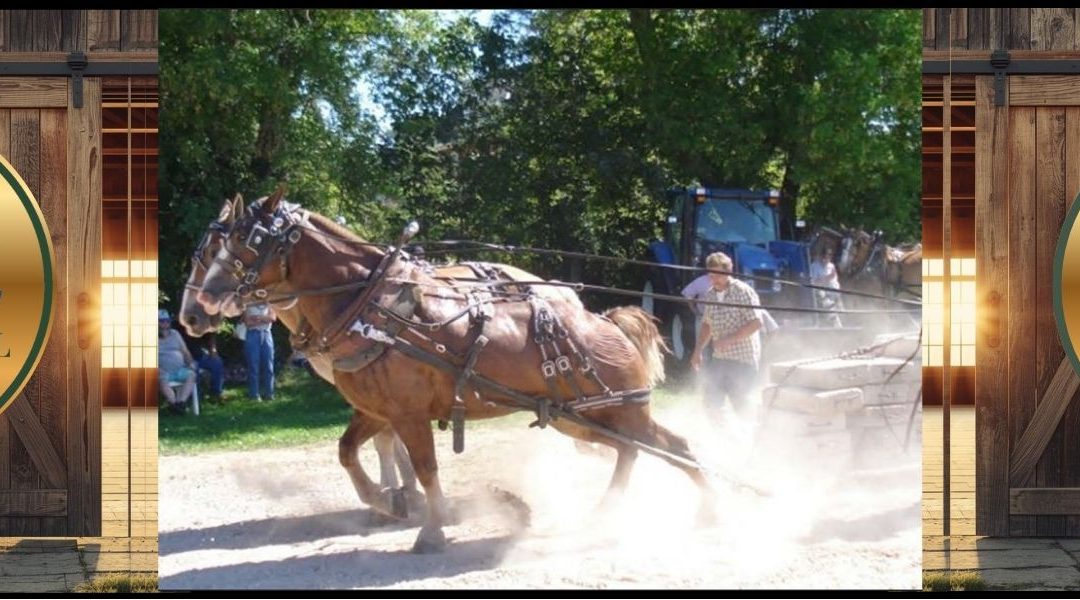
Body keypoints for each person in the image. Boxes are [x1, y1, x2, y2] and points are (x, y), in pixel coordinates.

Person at [690, 252, 763, 422]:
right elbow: (707, 324)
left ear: (729, 271)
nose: (714, 278)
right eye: (711, 274)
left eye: (718, 274)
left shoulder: (743, 291)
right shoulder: (710, 294)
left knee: (742, 405)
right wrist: (698, 350)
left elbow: (756, 323)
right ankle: (727, 439)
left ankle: (752, 437)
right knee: (711, 402)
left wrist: (729, 340)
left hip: (743, 360)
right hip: (720, 359)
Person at [158, 309, 197, 415]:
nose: (165, 324)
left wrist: (190, 363)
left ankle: (181, 403)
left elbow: (185, 351)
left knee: (192, 374)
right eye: (161, 321)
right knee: (161, 378)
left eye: (167, 321)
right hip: (163, 371)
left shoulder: (175, 334)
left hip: (179, 369)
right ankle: (174, 404)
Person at [243, 302, 277, 402]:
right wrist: (264, 319)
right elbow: (248, 322)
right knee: (253, 365)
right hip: (253, 334)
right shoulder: (248, 304)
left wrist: (257, 318)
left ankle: (269, 394)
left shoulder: (269, 303)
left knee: (269, 366)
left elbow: (273, 318)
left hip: (266, 334)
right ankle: (254, 395)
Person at [810, 246, 843, 327]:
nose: (826, 259)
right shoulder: (814, 266)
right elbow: (813, 282)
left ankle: (838, 324)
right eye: (824, 256)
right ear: (820, 256)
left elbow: (835, 282)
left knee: (840, 306)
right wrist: (826, 279)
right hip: (820, 292)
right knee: (827, 302)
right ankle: (837, 326)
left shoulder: (831, 266)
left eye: (828, 256)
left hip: (833, 292)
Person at [192, 332, 225, 401]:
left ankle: (216, 393)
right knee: (194, 369)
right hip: (186, 358)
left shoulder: (202, 323)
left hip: (200, 356)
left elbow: (211, 336)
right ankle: (197, 396)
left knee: (217, 362)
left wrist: (213, 349)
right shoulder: (177, 327)